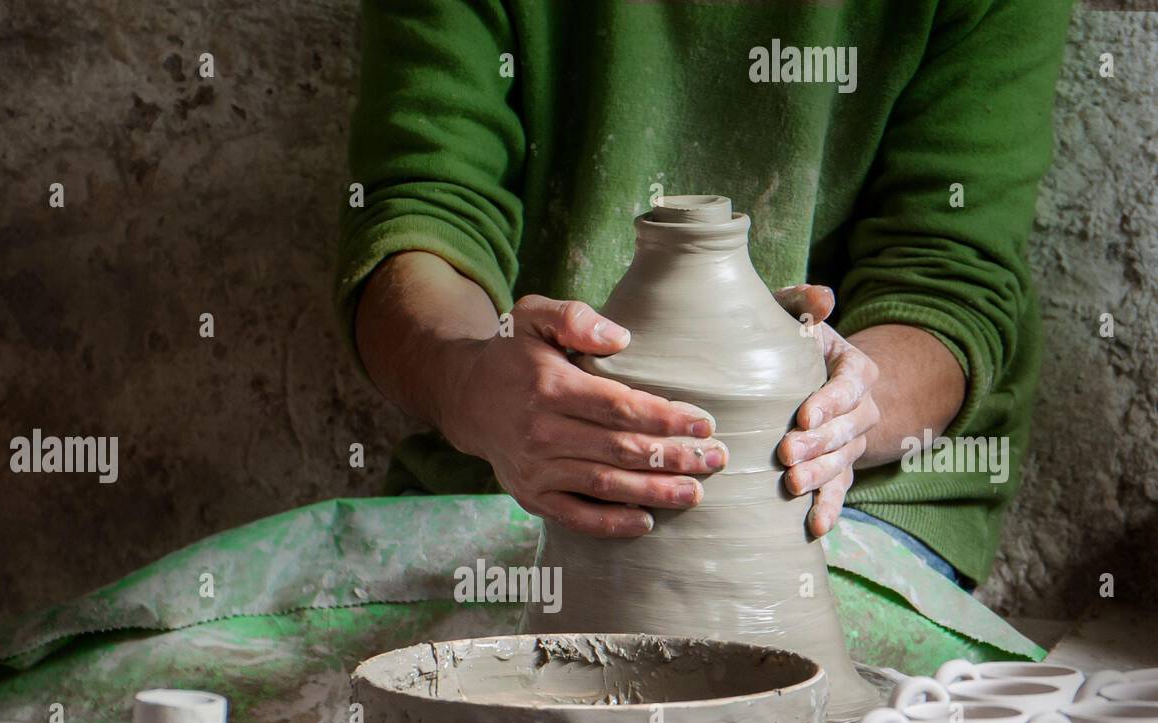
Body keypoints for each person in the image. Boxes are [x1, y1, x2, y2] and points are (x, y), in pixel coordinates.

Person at [335, 0, 1072, 590]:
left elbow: (947, 277)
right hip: (524, 470)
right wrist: (471, 379)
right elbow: (421, 216)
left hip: (837, 498)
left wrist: (839, 412)